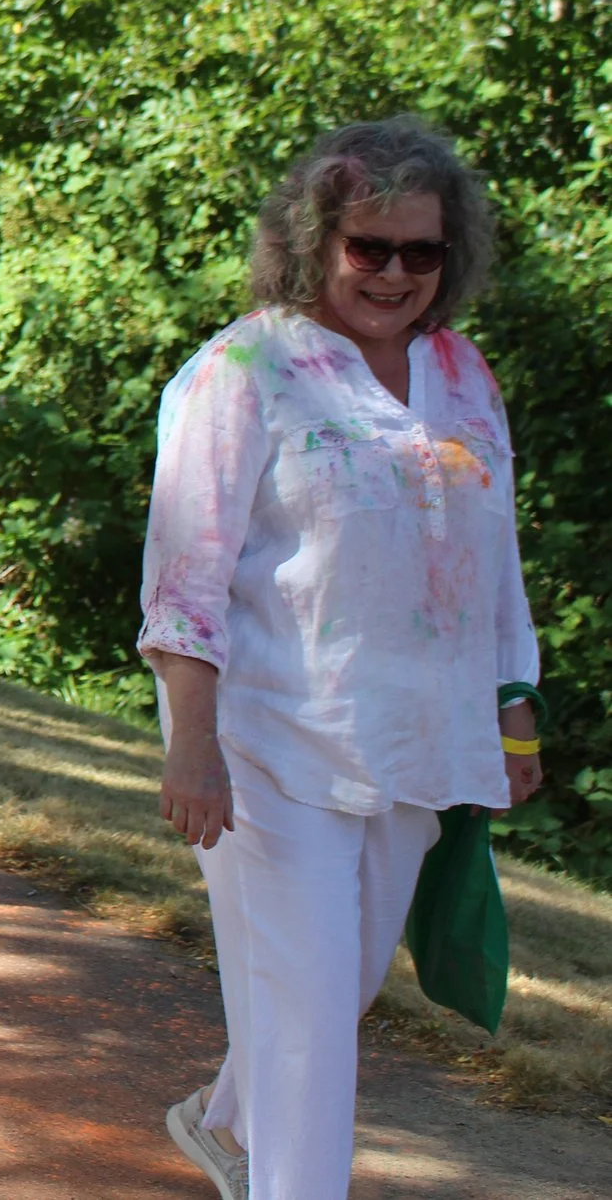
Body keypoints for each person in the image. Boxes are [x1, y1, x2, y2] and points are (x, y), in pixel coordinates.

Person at [138, 117, 545, 1200]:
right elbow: (186, 570)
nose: (396, 273)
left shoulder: (461, 374)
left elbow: (493, 557)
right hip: (266, 739)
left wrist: (513, 714)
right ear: (315, 241)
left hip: (412, 739)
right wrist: (192, 744)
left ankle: (223, 1118)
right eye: (370, 247)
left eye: (422, 252)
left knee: (338, 986)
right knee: (313, 1015)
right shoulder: (244, 366)